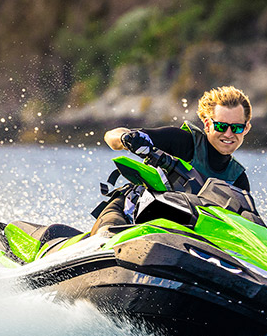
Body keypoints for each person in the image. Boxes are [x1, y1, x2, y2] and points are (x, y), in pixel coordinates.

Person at [91, 85, 253, 232]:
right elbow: (111, 136)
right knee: (107, 234)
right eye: (221, 126)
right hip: (129, 211)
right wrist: (126, 137)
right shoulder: (180, 141)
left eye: (237, 127)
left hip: (180, 234)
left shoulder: (238, 180)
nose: (228, 134)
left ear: (246, 128)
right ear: (207, 124)